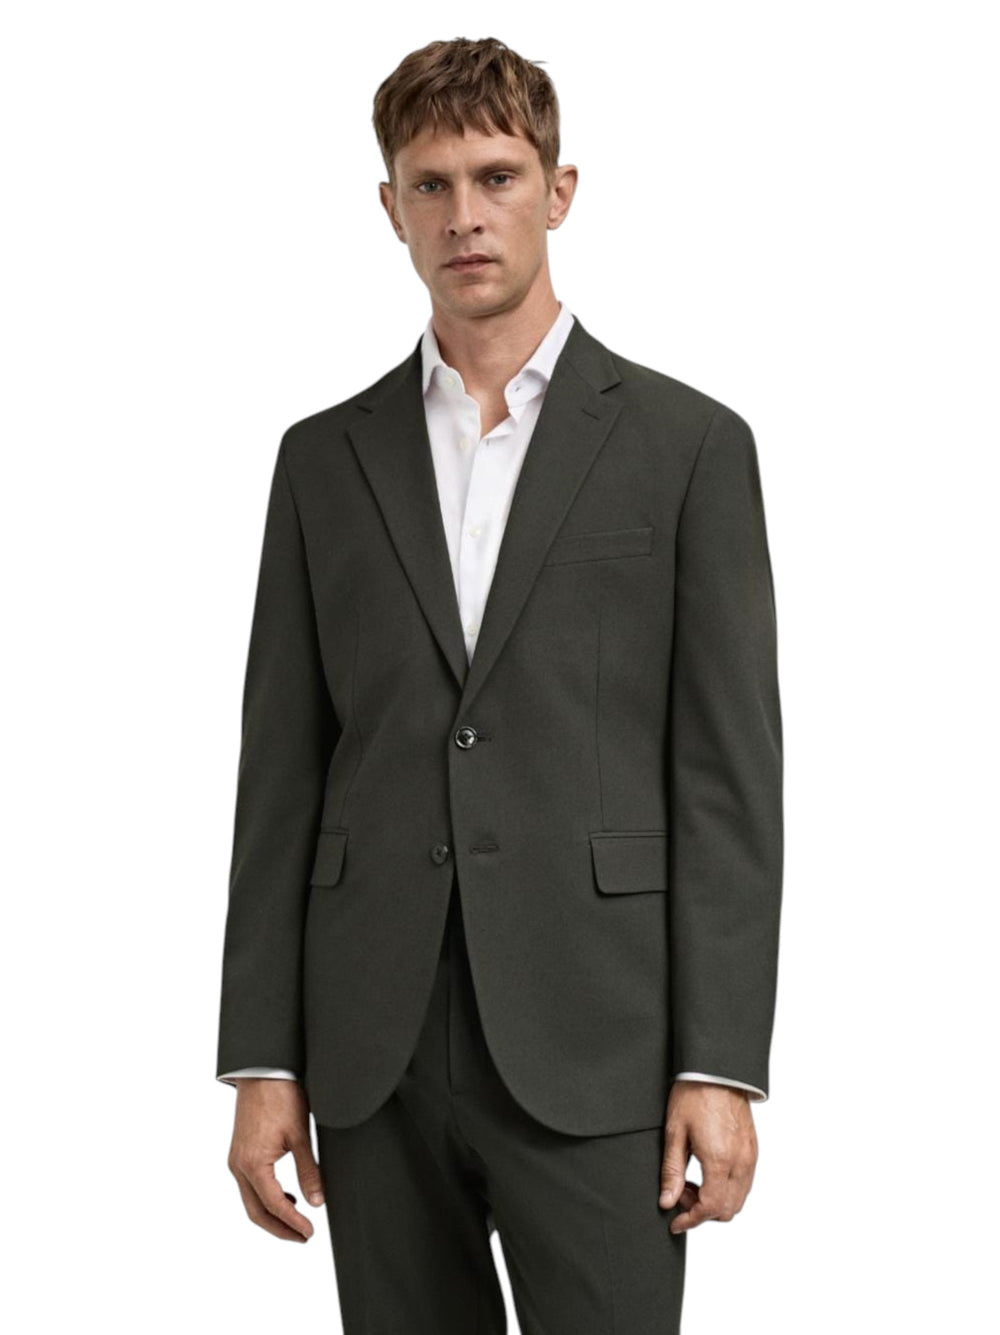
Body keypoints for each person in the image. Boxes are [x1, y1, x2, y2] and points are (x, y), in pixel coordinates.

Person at [216, 35, 783, 1334]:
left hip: (603, 1039)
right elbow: (282, 772)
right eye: (430, 185)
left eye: (496, 177)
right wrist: (262, 1058)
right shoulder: (323, 460)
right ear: (390, 208)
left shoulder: (689, 448)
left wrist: (720, 1061)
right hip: (374, 1045)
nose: (463, 215)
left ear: (558, 190)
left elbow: (727, 780)